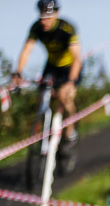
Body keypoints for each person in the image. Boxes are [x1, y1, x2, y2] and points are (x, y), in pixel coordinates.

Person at [12, 0, 81, 149]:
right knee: (42, 98)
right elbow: (26, 51)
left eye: (48, 18)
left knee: (65, 97)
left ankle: (70, 131)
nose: (44, 22)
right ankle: (45, 128)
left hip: (69, 67)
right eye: (42, 17)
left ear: (56, 15)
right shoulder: (36, 28)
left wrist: (70, 82)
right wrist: (18, 72)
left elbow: (77, 58)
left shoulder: (66, 28)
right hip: (52, 66)